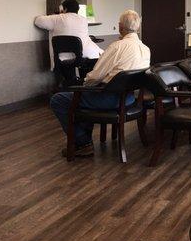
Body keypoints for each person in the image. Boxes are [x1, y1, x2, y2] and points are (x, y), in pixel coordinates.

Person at [50, 10, 150, 157]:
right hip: (129, 99)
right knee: (83, 98)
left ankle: (82, 142)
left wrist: (84, 84)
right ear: (138, 28)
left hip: (109, 99)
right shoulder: (145, 49)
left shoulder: (117, 47)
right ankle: (84, 139)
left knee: (59, 99)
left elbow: (95, 77)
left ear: (120, 26)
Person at [34, 0, 103, 70]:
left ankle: (72, 80)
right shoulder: (83, 20)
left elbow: (38, 21)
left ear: (65, 9)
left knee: (69, 71)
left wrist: (57, 15)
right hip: (88, 54)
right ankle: (85, 80)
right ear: (78, 9)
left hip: (64, 57)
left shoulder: (57, 18)